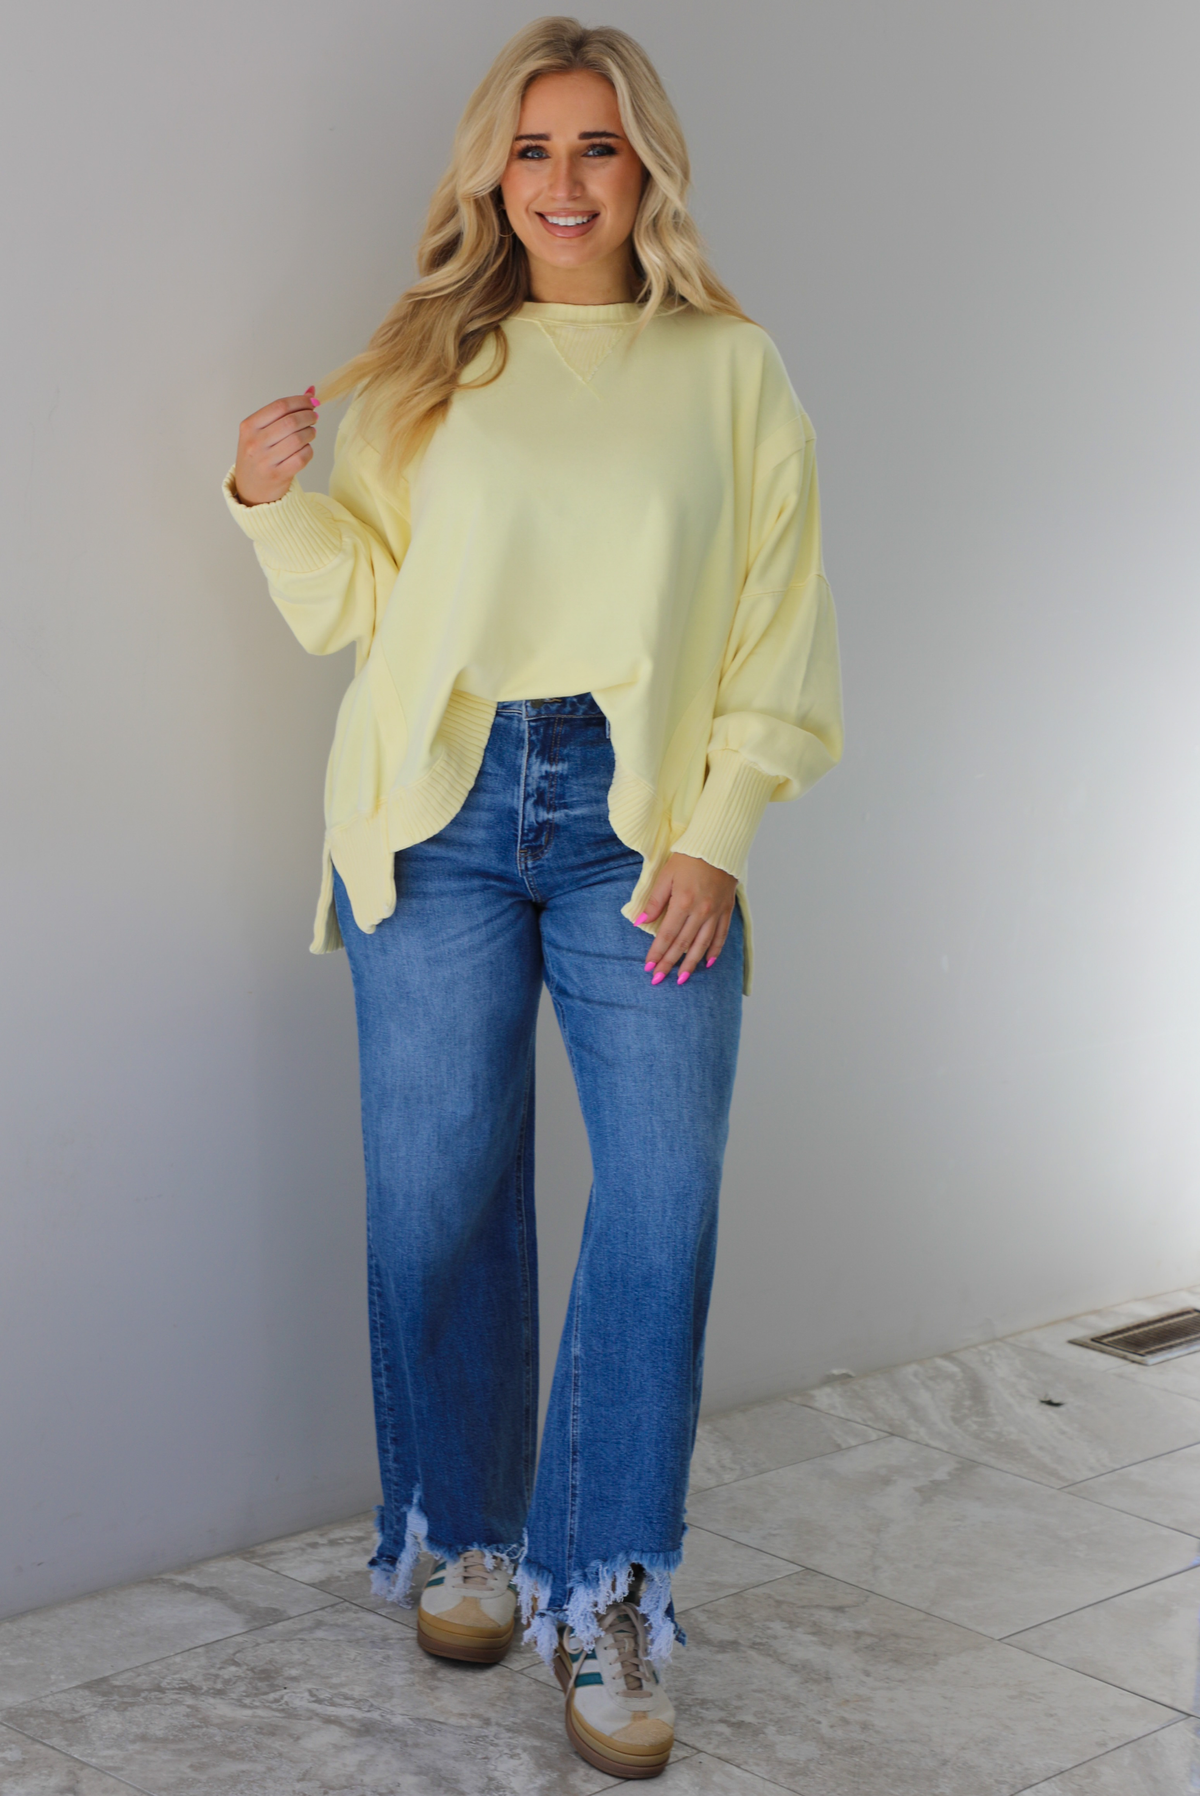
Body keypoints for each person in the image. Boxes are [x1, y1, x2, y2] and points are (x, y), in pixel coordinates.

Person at [224, 15, 842, 1781]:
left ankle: (612, 1590)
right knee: (437, 1197)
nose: (564, 182)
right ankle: (475, 1535)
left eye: (597, 147)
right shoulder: (436, 360)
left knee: (658, 1203)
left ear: (645, 168)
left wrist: (719, 826)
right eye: (533, 149)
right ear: (492, 174)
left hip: (641, 831)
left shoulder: (732, 370)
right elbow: (363, 610)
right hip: (440, 806)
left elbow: (778, 627)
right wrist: (271, 503)